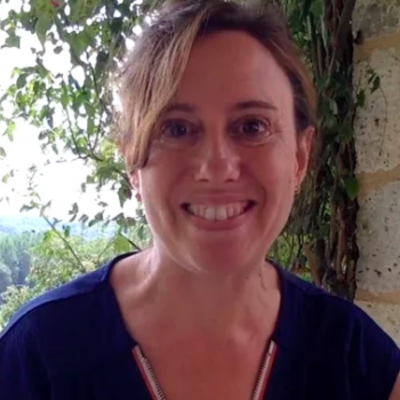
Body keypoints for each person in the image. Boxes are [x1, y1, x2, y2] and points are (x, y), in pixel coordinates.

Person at [1, 1, 400, 399]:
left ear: (299, 157)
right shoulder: (38, 358)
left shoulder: (358, 363)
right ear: (132, 162)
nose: (217, 167)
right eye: (176, 129)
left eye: (252, 126)